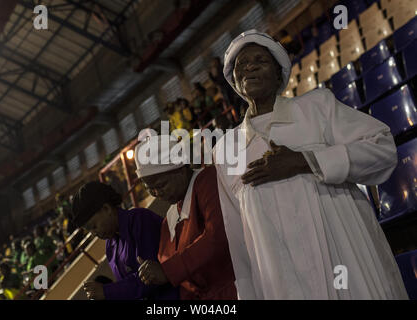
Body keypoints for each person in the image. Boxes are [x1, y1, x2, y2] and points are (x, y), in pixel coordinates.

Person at [213, 29, 409, 299]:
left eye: (260, 59)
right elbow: (237, 237)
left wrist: (307, 160)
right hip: (284, 285)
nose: (249, 66)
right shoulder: (225, 149)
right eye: (240, 64)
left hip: (347, 264)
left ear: (279, 72)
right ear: (233, 80)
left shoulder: (316, 107)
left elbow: (383, 148)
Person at [135, 136, 237, 300]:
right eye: (150, 190)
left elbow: (217, 235)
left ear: (180, 169)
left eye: (160, 186)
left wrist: (168, 270)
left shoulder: (207, 180)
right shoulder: (170, 217)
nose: (157, 194)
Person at [71, 181, 179, 300]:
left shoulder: (140, 221)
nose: (94, 233)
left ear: (106, 209)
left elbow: (151, 279)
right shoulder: (110, 248)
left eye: (94, 226)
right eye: (90, 230)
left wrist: (106, 291)